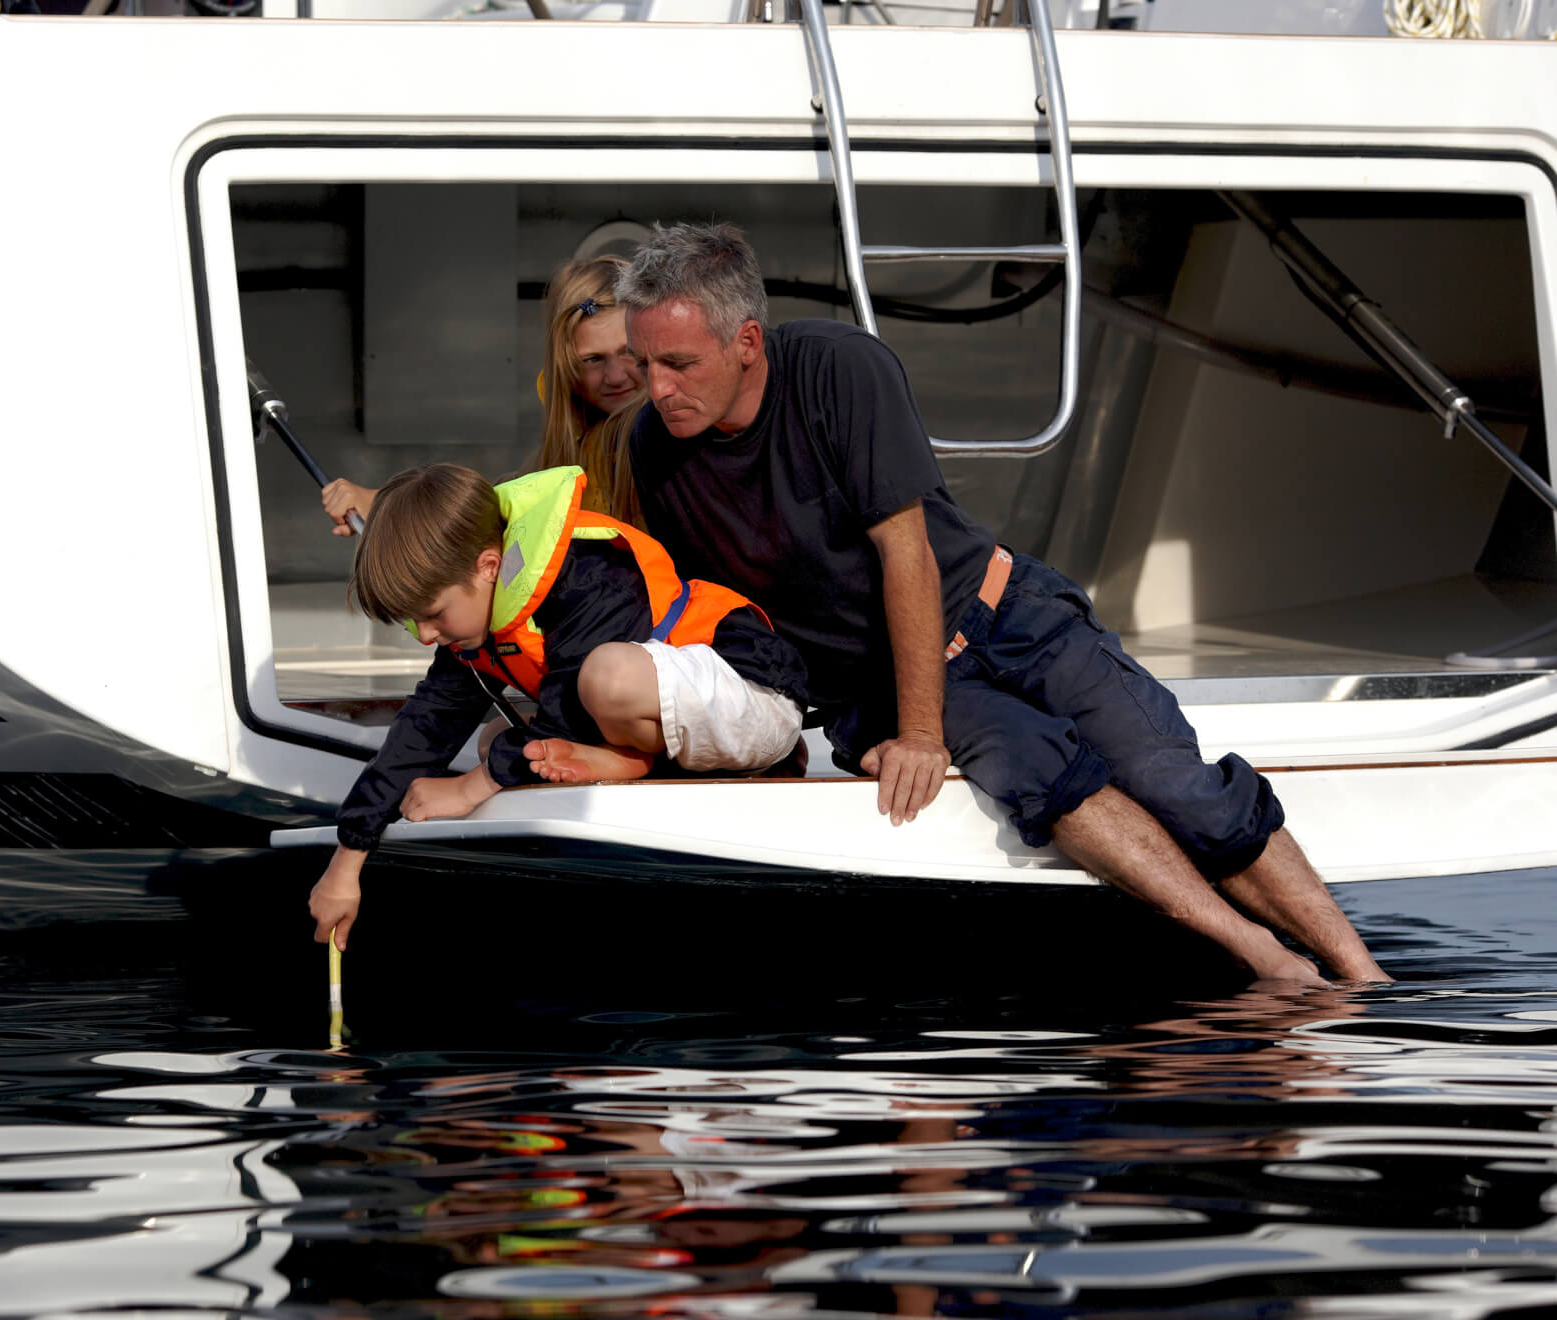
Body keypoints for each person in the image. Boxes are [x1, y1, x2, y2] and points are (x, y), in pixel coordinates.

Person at [615, 222, 1387, 988]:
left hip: (1010, 616)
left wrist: (919, 734)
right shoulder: (652, 447)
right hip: (890, 685)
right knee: (1046, 778)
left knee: (1172, 782)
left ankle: (1362, 976)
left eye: (679, 364)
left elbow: (906, 551)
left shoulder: (839, 366)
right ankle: (1268, 961)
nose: (657, 389)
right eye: (644, 363)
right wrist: (843, 732)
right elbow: (721, 615)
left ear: (747, 341)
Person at [306, 461, 808, 951]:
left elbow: (567, 707)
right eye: (415, 624)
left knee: (604, 678)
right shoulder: (476, 619)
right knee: (492, 741)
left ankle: (636, 760)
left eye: (433, 615)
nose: (427, 638)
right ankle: (623, 758)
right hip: (666, 725)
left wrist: (471, 787)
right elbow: (422, 732)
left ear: (488, 566)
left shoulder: (587, 575)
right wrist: (345, 864)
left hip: (755, 696)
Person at [319, 256, 648, 534]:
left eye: (629, 352)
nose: (616, 376)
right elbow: (498, 505)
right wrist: (385, 504)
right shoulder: (573, 443)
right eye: (593, 360)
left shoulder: (666, 432)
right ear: (566, 370)